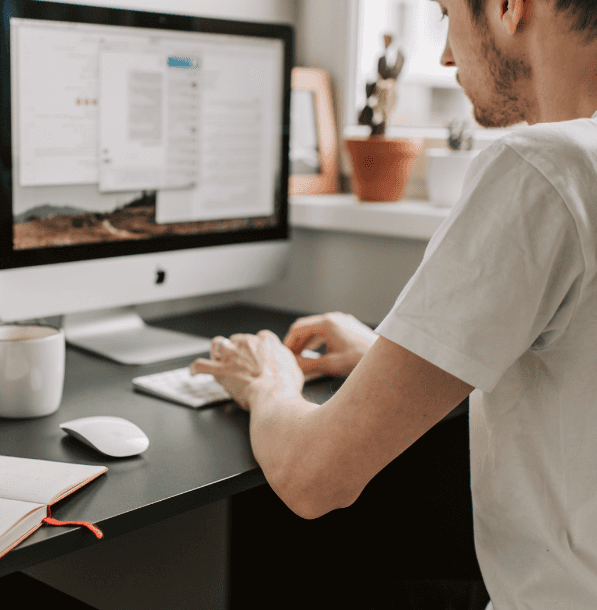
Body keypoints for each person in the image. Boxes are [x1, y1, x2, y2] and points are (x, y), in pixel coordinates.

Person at [191, 0, 597, 607]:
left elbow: (313, 479)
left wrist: (268, 383)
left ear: (510, 6)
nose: (446, 55)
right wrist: (392, 357)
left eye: (446, 14)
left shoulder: (543, 168)